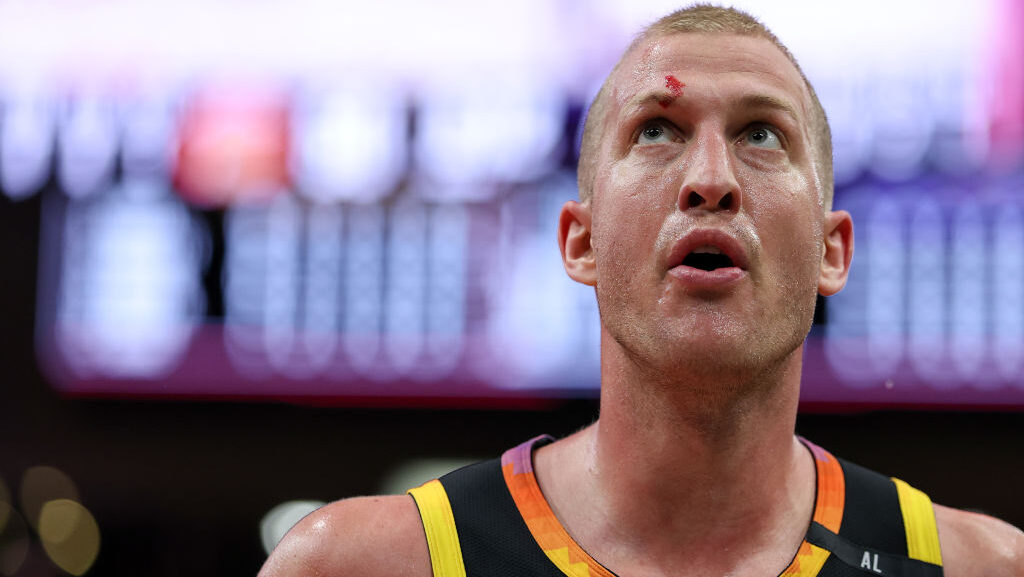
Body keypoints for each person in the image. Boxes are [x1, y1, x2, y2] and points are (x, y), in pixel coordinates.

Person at [260, 5, 1024, 576]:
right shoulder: (359, 565)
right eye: (657, 130)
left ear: (833, 251)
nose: (711, 180)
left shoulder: (985, 566)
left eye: (761, 134)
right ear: (580, 241)